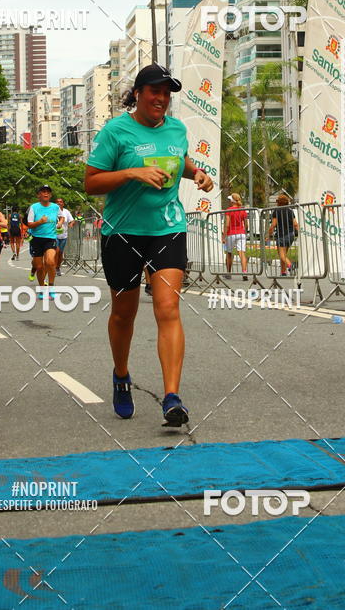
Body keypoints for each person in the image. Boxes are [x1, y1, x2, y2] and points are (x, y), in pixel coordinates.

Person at [85, 63, 213, 427]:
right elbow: (92, 183)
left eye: (167, 93)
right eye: (154, 91)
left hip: (166, 228)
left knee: (168, 308)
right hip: (123, 232)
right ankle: (122, 375)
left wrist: (198, 173)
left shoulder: (176, 129)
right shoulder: (116, 131)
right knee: (124, 314)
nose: (161, 99)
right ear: (138, 93)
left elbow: (181, 160)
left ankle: (172, 396)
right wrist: (131, 172)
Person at [27, 185, 63, 298]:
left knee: (50, 262)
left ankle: (51, 287)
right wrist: (40, 222)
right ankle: (42, 289)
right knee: (39, 267)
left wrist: (60, 222)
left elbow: (61, 217)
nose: (46, 194)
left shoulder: (55, 207)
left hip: (50, 238)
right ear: (39, 195)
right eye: (43, 192)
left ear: (50, 195)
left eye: (48, 192)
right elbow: (29, 224)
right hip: (36, 239)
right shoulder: (34, 207)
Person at [267, 194, 299, 276]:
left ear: (279, 203)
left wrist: (268, 234)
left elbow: (273, 224)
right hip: (291, 235)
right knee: (284, 254)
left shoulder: (276, 211)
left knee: (282, 255)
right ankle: (283, 272)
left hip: (281, 235)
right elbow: (295, 224)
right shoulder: (290, 211)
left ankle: (291, 266)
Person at [222, 193, 248, 281]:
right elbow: (246, 224)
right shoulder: (242, 210)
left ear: (232, 201)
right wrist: (245, 232)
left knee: (229, 253)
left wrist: (224, 236)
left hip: (231, 234)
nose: (229, 201)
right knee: (242, 254)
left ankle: (228, 273)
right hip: (241, 233)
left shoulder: (229, 210)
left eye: (230, 200)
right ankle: (244, 272)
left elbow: (227, 224)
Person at [54, 198, 74, 275]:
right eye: (57, 202)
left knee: (60, 253)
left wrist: (71, 224)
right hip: (54, 235)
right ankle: (54, 267)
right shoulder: (53, 211)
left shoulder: (66, 212)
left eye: (60, 202)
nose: (59, 203)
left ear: (63, 203)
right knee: (57, 251)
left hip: (64, 235)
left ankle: (58, 267)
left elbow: (72, 220)